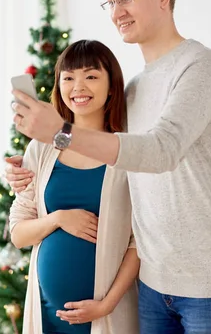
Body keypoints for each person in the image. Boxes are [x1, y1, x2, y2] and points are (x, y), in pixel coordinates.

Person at [7, 0, 211, 334]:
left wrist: (58, 132)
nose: (116, 12)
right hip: (155, 283)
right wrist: (24, 171)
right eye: (110, 1)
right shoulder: (135, 91)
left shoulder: (202, 68)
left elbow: (160, 151)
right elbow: (100, 146)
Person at [8, 39, 139, 334]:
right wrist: (58, 218)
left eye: (91, 76)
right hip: (48, 315)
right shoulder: (40, 150)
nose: (78, 87)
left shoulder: (128, 151)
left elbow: (138, 242)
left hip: (108, 312)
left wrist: (106, 305)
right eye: (68, 78)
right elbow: (18, 234)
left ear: (112, 86)